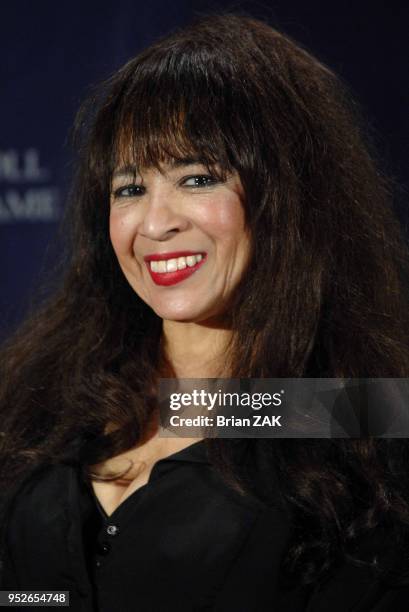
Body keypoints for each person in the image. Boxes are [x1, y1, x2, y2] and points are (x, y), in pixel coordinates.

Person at [1, 12, 409, 612]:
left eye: (197, 178)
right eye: (130, 188)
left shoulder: (358, 416)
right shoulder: (48, 397)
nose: (156, 222)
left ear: (284, 197)